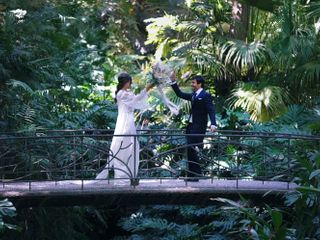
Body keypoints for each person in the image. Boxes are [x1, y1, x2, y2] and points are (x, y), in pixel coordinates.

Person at [96, 73, 154, 182]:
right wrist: (147, 88)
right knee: (124, 148)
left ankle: (128, 174)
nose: (130, 84)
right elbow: (137, 100)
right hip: (125, 123)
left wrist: (147, 89)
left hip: (127, 121)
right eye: (129, 81)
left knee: (129, 148)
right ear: (126, 82)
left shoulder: (123, 93)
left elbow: (135, 100)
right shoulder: (123, 94)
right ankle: (122, 176)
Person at [170, 72, 217, 181]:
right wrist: (173, 82)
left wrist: (213, 123)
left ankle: (196, 174)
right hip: (191, 127)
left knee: (191, 148)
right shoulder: (193, 95)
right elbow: (179, 94)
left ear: (200, 84)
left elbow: (211, 110)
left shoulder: (205, 95)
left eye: (193, 83)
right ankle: (193, 175)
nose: (192, 85)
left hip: (199, 127)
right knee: (190, 150)